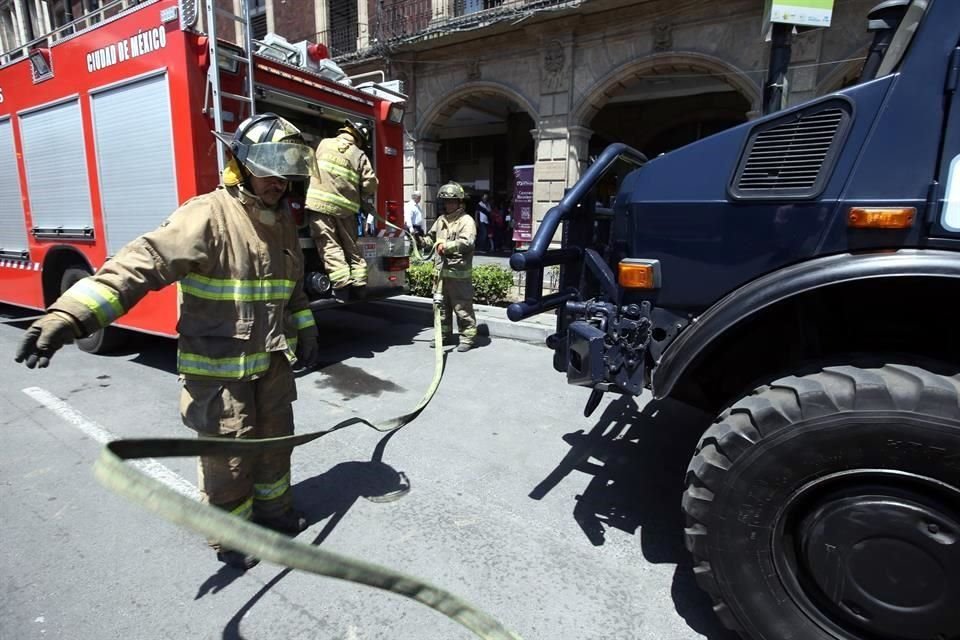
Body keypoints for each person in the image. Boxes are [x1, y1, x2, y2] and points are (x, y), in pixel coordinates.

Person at [14, 113, 320, 571]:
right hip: (219, 375)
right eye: (269, 171)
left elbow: (289, 288)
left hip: (271, 366)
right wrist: (71, 314)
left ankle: (273, 516)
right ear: (240, 164)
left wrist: (306, 324)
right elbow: (141, 263)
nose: (279, 182)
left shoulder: (279, 223)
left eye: (286, 173)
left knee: (275, 446)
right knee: (229, 460)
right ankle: (232, 536)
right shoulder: (207, 215)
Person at [305, 119, 378, 301]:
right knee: (351, 246)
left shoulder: (322, 143)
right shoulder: (359, 155)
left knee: (330, 244)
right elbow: (370, 183)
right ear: (359, 139)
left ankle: (342, 286)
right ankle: (360, 285)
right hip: (346, 209)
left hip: (319, 205)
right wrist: (362, 194)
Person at [421, 181, 478, 352]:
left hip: (458, 274)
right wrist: (420, 241)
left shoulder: (466, 221)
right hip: (440, 274)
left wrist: (446, 246)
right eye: (446, 201)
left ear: (460, 202)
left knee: (462, 308)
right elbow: (431, 238)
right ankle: (443, 336)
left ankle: (467, 338)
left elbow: (467, 242)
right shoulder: (441, 220)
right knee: (441, 308)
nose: (448, 204)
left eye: (452, 201)